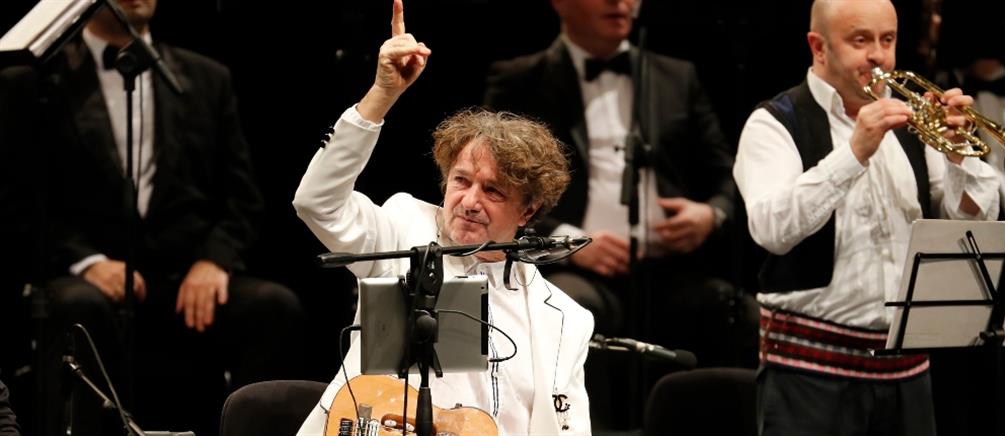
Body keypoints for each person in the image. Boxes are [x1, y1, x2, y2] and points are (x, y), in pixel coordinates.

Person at [293, 1, 592, 434]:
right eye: (461, 181)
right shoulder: (404, 228)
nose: (470, 201)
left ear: (528, 210)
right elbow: (317, 202)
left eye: (493, 191)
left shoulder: (565, 319)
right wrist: (382, 95)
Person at [23, 0, 304, 434]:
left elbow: (242, 198)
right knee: (80, 307)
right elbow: (22, 198)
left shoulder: (207, 76)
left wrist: (213, 261)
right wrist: (88, 262)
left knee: (274, 306)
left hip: (180, 275)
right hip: (91, 275)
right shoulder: (42, 80)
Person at [732, 1, 1001, 435]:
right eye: (860, 40)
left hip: (907, 373)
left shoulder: (913, 122)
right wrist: (855, 152)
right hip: (809, 374)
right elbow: (771, 230)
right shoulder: (774, 123)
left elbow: (969, 222)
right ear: (818, 47)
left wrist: (958, 157)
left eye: (887, 40)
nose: (878, 55)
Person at [483, 0, 749, 368]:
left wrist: (711, 214)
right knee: (560, 310)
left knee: (739, 314)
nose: (619, 1)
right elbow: (493, 186)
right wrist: (567, 241)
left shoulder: (677, 76)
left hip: (671, 270)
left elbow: (729, 176)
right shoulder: (521, 80)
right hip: (572, 269)